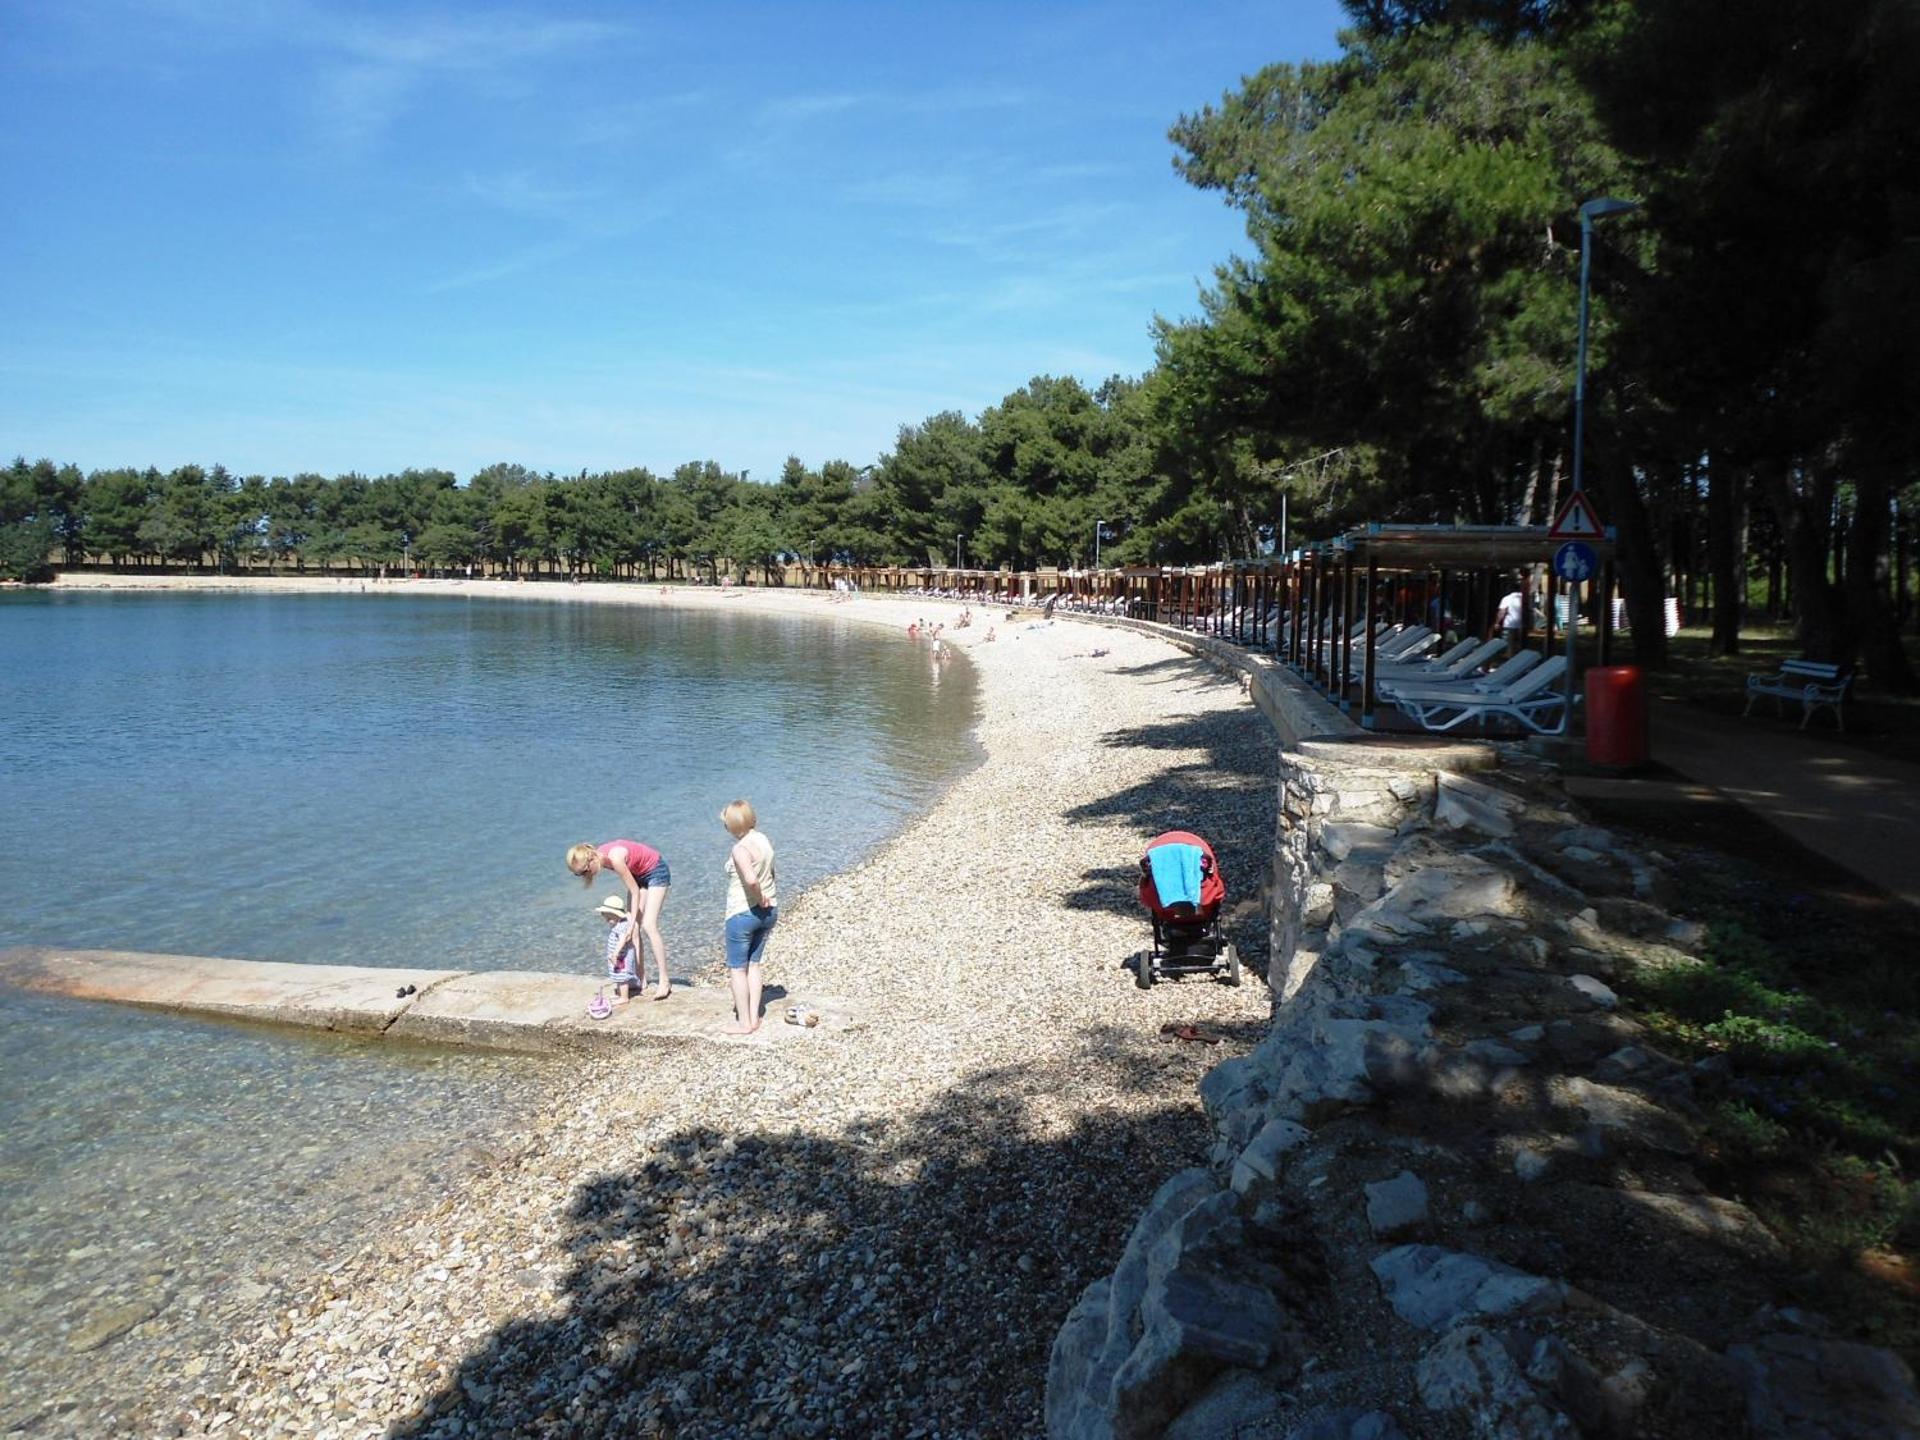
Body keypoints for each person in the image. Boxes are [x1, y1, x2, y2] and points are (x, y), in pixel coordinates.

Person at [566, 838, 672, 999]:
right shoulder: (601, 858)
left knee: (649, 925)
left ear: (592, 858)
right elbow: (634, 885)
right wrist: (631, 926)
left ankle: (664, 981)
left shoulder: (615, 859)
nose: (584, 876)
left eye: (584, 871)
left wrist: (629, 926)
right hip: (638, 875)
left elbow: (635, 891)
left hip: (656, 870)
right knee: (634, 928)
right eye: (578, 874)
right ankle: (640, 979)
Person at [718, 799, 777, 1035]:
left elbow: (751, 879)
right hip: (769, 911)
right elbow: (771, 872)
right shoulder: (763, 840)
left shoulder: (740, 848)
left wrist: (759, 896)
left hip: (742, 913)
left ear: (732, 827)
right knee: (754, 964)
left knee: (737, 968)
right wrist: (768, 898)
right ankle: (754, 1017)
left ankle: (744, 1023)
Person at [595, 893, 641, 1003]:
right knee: (618, 975)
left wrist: (615, 953)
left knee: (622, 976)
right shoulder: (620, 923)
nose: (608, 921)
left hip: (621, 957)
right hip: (619, 956)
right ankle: (621, 994)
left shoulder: (622, 926)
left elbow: (622, 939)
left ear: (617, 915)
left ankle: (624, 997)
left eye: (609, 918)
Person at [1491, 581, 1525, 655]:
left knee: (1509, 645)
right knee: (1520, 645)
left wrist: (1497, 623)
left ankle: (1509, 659)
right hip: (1522, 625)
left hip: (1510, 625)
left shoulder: (1507, 598)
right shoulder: (1525, 598)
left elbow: (1502, 612)